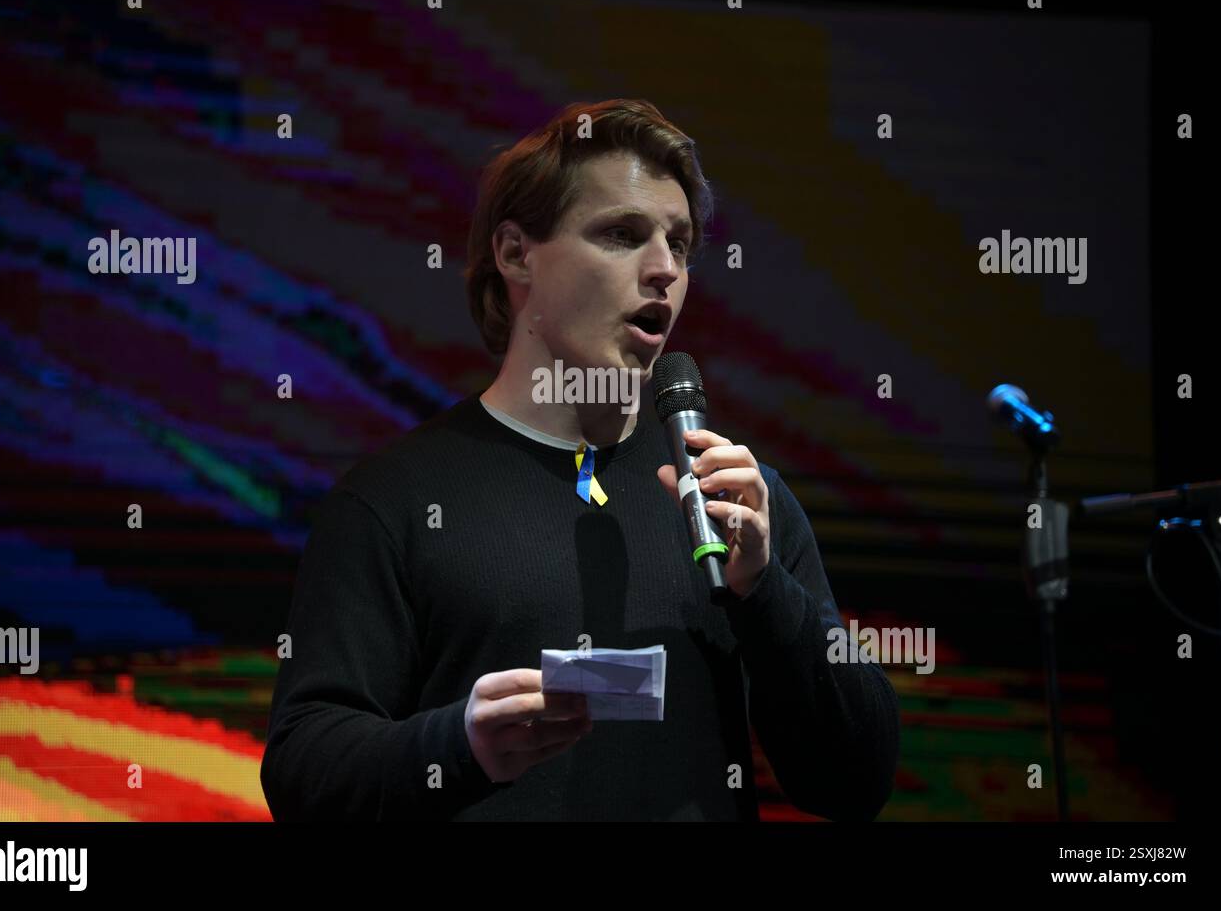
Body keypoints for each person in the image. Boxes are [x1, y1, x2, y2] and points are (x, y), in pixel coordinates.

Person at [260, 99, 900, 821]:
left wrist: (764, 594)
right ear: (514, 253)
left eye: (681, 244)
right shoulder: (395, 502)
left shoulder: (737, 503)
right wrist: (459, 747)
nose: (664, 268)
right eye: (622, 234)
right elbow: (303, 772)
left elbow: (855, 783)